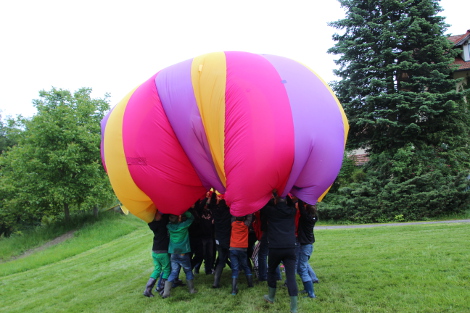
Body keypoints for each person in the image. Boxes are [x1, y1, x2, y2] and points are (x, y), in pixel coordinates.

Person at [263, 192, 299, 313]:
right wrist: (284, 193)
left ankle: (271, 297)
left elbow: (264, 203)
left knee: (271, 271)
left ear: (275, 201)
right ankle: (293, 308)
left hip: (275, 247)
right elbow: (291, 203)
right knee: (291, 276)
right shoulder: (291, 211)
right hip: (290, 247)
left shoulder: (270, 211)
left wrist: (273, 195)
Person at [162, 211, 197, 298]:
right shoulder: (183, 226)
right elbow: (192, 218)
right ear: (179, 218)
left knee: (174, 272)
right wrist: (183, 210)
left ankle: (166, 292)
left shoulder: (169, 226)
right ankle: (192, 290)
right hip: (183, 253)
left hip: (173, 253)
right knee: (188, 270)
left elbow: (169, 221)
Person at [143, 211, 170, 297]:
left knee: (157, 269)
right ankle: (162, 289)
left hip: (155, 251)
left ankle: (147, 289)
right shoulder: (162, 224)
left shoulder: (152, 225)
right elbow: (166, 216)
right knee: (166, 269)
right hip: (163, 251)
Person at [297, 200, 319, 298]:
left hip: (306, 245)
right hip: (308, 244)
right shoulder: (314, 217)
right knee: (301, 267)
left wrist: (301, 197)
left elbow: (301, 208)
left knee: (302, 268)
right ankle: (307, 289)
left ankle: (311, 293)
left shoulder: (306, 217)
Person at [229, 214, 254, 295]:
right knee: (245, 266)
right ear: (244, 218)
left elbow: (232, 215)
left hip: (233, 248)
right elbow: (250, 217)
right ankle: (250, 284)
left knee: (235, 268)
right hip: (243, 248)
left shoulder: (233, 224)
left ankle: (233, 290)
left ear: (235, 218)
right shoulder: (246, 225)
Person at [212, 193, 232, 288]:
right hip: (227, 239)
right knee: (233, 258)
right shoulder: (229, 212)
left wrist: (214, 191)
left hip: (218, 239)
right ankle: (236, 279)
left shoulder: (215, 212)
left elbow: (212, 204)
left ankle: (215, 282)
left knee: (220, 260)